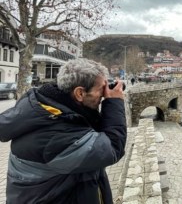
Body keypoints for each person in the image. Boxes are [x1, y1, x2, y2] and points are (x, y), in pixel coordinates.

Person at [0, 58, 127, 204]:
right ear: (80, 93)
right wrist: (114, 102)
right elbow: (111, 148)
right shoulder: (53, 135)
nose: (104, 94)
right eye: (101, 89)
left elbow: (92, 134)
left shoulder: (54, 110)